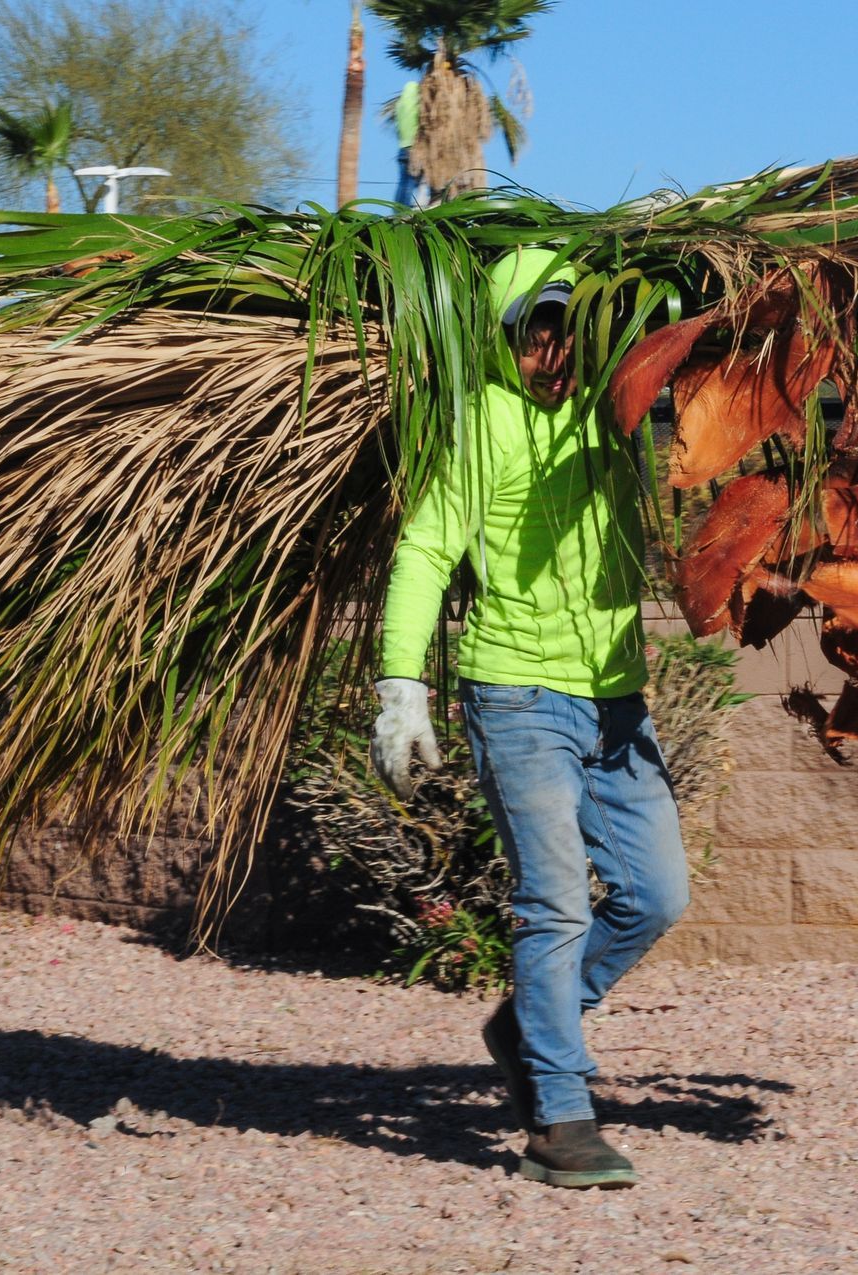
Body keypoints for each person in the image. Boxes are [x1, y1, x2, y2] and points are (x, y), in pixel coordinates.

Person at [371, 247, 690, 1189]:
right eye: (533, 331)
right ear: (506, 340)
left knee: (655, 894)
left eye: (568, 330)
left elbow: (682, 324)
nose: (552, 351)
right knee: (552, 900)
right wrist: (401, 685)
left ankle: (526, 1022)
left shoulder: (614, 411)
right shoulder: (483, 427)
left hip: (616, 698)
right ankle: (557, 1115)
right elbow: (428, 548)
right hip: (515, 693)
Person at [394, 79, 422, 206]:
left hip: (402, 148)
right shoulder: (416, 106)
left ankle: (398, 207)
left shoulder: (400, 106)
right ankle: (405, 208)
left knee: (403, 181)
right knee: (412, 181)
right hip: (414, 147)